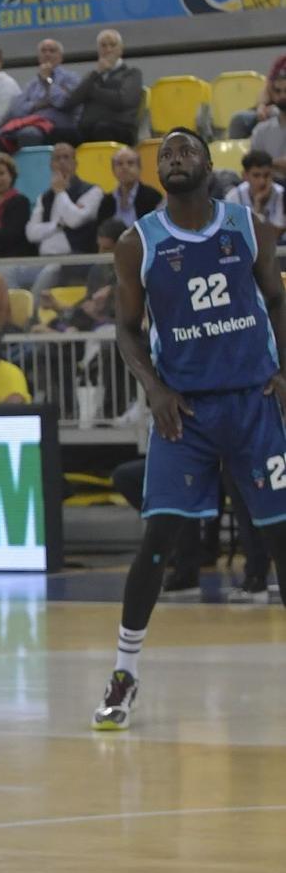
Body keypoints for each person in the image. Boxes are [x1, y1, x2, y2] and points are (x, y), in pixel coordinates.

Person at [93, 130, 286, 730]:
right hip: (187, 415)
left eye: (186, 151)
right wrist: (153, 388)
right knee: (158, 543)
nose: (175, 157)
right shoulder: (136, 242)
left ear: (208, 164)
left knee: (282, 543)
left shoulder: (247, 225)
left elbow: (276, 299)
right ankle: (124, 673)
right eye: (166, 154)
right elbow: (126, 327)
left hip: (253, 404)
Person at [0, 37, 82, 150]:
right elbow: (16, 110)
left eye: (52, 51)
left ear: (60, 57)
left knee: (28, 134)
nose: (47, 54)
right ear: (39, 57)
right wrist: (37, 105)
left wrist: (47, 81)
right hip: (32, 124)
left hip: (59, 127)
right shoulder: (32, 84)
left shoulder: (71, 78)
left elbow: (63, 102)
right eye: (43, 51)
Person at [60, 27, 144, 144]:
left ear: (120, 50)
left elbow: (123, 101)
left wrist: (92, 91)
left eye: (112, 45)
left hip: (119, 129)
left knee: (100, 129)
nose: (108, 49)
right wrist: (96, 73)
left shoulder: (132, 73)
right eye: (103, 46)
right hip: (88, 129)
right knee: (59, 134)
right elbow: (71, 102)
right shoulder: (92, 76)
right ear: (98, 50)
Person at [26, 139, 102, 258]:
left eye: (66, 157)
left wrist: (60, 192)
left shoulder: (92, 191)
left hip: (75, 258)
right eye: (57, 158)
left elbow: (74, 221)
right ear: (51, 165)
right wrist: (58, 225)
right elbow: (31, 233)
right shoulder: (44, 197)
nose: (62, 162)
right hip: (42, 258)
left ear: (75, 163)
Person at [97, 145, 161, 232]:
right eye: (119, 164)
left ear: (139, 168)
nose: (125, 167)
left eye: (130, 163)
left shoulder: (153, 197)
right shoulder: (107, 201)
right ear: (113, 170)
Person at [233, 150, 286, 238]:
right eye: (256, 175)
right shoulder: (234, 197)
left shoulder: (281, 193)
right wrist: (258, 205)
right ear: (245, 175)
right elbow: (239, 234)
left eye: (266, 175)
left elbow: (278, 233)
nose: (262, 181)